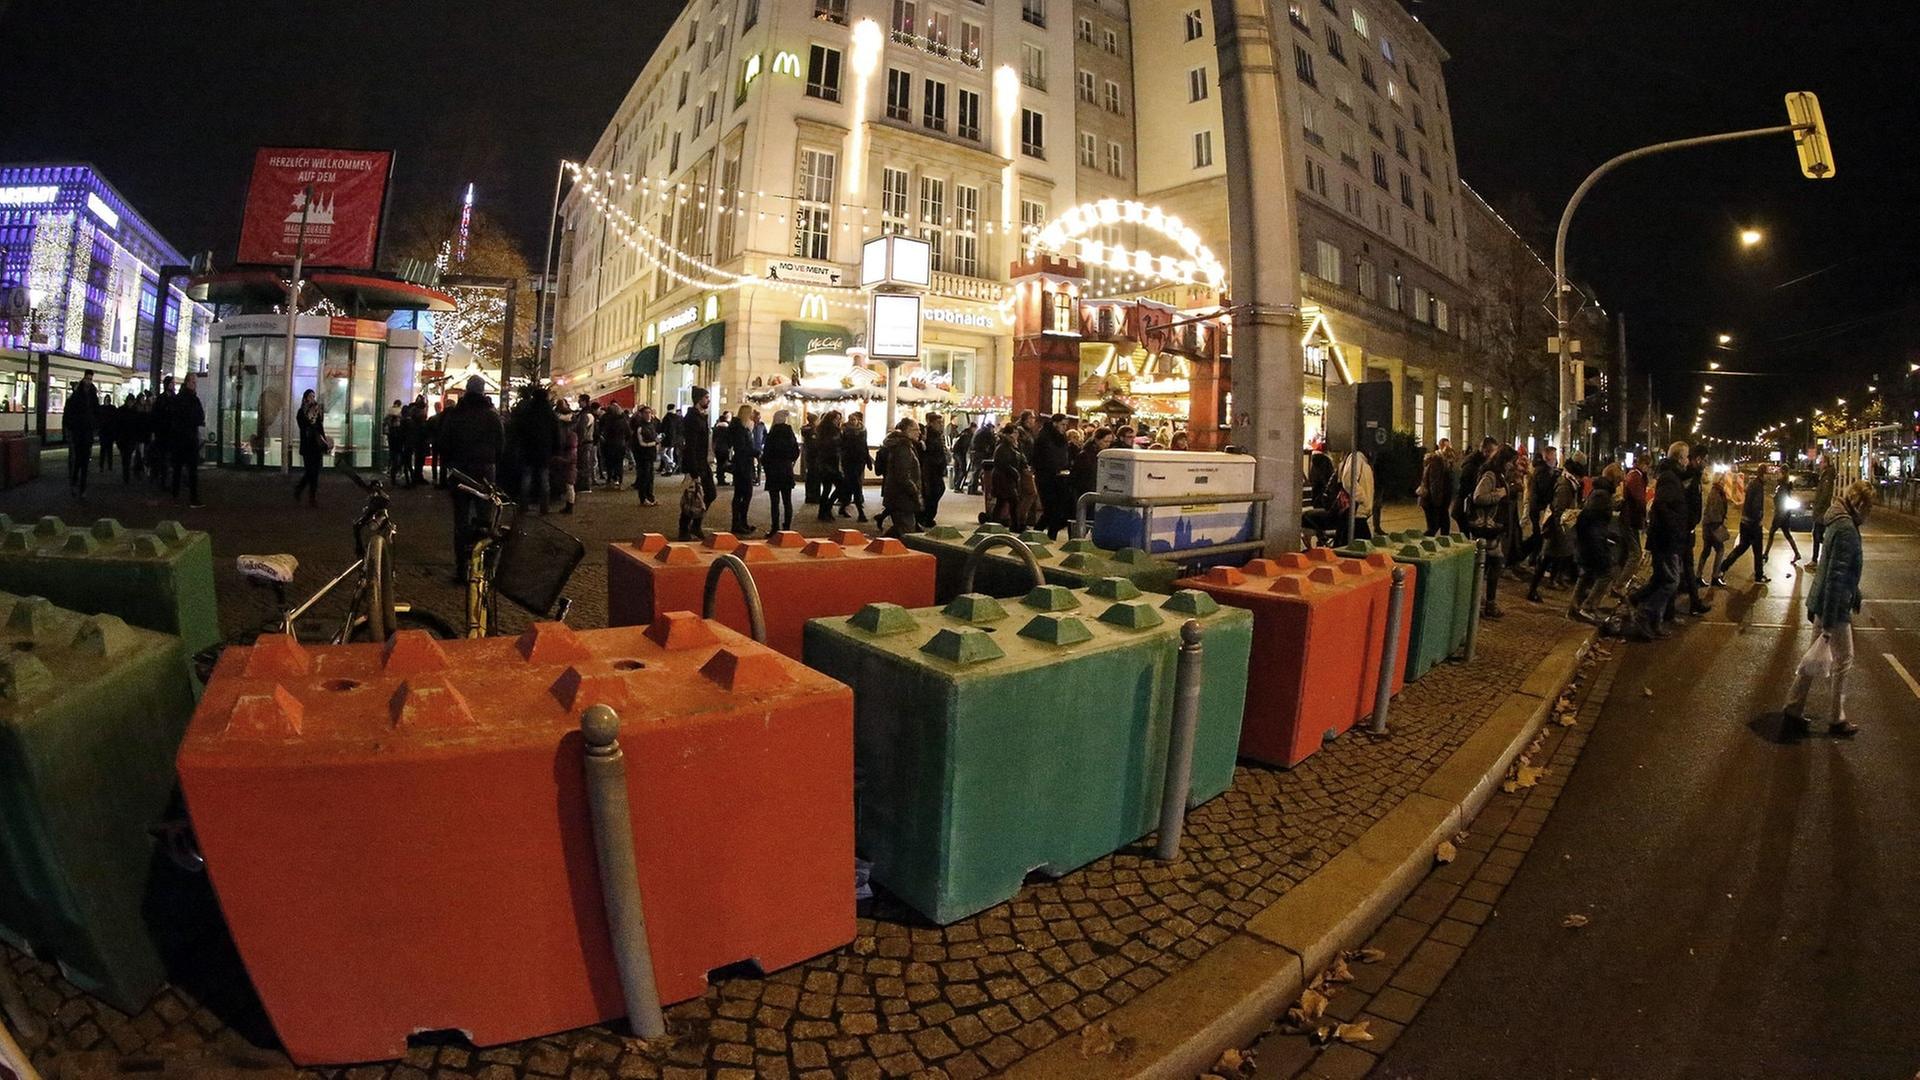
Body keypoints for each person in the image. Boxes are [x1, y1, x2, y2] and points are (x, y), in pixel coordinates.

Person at [1782, 480, 1872, 738]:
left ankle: (1793, 709)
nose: (1869, 514)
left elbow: (1834, 569)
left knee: (1813, 659)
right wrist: (1831, 623)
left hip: (1824, 601)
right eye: (1868, 508)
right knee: (1844, 659)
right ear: (1860, 505)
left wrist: (1854, 593)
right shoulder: (1846, 529)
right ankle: (1836, 718)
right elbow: (1836, 576)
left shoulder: (1838, 521)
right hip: (1834, 605)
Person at [439, 375, 506, 580]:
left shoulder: (456, 414)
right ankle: (482, 567)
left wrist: (450, 464)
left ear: (467, 391)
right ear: (483, 391)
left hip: (460, 470)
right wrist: (492, 461)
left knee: (461, 520)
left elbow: (444, 443)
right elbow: (501, 445)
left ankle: (461, 567)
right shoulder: (491, 415)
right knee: (485, 519)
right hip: (484, 471)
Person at [1630, 442, 1693, 640]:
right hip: (1666, 539)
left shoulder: (1671, 476)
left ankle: (1652, 619)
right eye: (1686, 457)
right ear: (1679, 458)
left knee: (1660, 579)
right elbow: (1662, 506)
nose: (1688, 461)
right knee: (1671, 581)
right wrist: (1675, 528)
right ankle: (1644, 613)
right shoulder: (1669, 478)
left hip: (1667, 538)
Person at [1527, 454, 1585, 603]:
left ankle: (1549, 582)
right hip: (1556, 527)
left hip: (1560, 525)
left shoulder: (1568, 482)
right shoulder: (1565, 484)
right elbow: (1559, 509)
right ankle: (1532, 590)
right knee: (1546, 558)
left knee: (1553, 556)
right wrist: (1561, 530)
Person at [1469, 446, 1517, 618]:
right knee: (1493, 564)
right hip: (1487, 528)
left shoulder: (1499, 475)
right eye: (1511, 462)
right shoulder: (1490, 475)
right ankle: (1485, 603)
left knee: (1488, 565)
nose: (1512, 466)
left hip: (1493, 528)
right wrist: (1499, 495)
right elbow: (1478, 497)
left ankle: (1480, 601)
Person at [1569, 471, 1617, 623]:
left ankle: (1574, 608)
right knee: (1606, 572)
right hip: (1593, 541)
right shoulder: (1602, 496)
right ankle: (1588, 606)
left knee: (1587, 572)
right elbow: (1592, 520)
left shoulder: (1597, 493)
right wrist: (1600, 539)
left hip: (1589, 540)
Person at [1717, 466, 1770, 585]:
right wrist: (1759, 519)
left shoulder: (1753, 483)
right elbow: (1756, 505)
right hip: (1753, 524)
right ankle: (1758, 575)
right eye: (1767, 474)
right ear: (1764, 474)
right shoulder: (1758, 486)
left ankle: (1723, 567)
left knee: (1741, 548)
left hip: (1745, 522)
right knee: (1757, 550)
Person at [508, 385, 557, 513]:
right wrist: (555, 449)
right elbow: (556, 432)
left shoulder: (527, 411)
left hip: (528, 448)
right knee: (544, 478)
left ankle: (524, 505)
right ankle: (544, 507)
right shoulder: (549, 412)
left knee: (526, 477)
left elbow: (519, 429)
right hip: (544, 449)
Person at [878, 418, 923, 540]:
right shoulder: (903, 448)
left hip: (899, 497)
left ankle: (879, 544)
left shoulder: (905, 446)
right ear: (907, 431)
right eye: (916, 430)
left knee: (900, 528)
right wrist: (915, 492)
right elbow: (903, 476)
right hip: (902, 497)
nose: (919, 432)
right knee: (907, 532)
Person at [1033, 413, 1075, 538]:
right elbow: (1041, 458)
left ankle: (1050, 535)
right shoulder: (1044, 437)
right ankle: (1036, 533)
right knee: (1050, 509)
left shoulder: (1061, 438)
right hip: (1046, 477)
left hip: (1060, 477)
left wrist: (1066, 466)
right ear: (1055, 423)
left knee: (1058, 510)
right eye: (1062, 424)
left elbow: (1063, 455)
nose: (1065, 427)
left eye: (1066, 425)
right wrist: (1055, 468)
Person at [292, 389, 330, 506]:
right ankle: (299, 489)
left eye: (313, 396)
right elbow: (303, 426)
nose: (312, 398)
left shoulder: (317, 411)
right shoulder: (301, 412)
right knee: (309, 471)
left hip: (317, 445)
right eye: (310, 396)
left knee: (315, 472)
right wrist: (310, 417)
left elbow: (320, 428)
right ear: (305, 398)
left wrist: (324, 442)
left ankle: (312, 497)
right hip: (307, 445)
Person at [762, 410, 799, 532]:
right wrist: (790, 461)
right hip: (786, 468)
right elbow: (796, 451)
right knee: (787, 501)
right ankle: (787, 526)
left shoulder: (772, 434)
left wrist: (767, 466)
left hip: (773, 470)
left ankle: (775, 527)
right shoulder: (789, 433)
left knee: (774, 502)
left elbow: (766, 454)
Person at [1694, 470, 1732, 587]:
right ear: (1719, 480)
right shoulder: (1716, 493)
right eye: (1723, 480)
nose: (1724, 482)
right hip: (1712, 526)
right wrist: (1719, 525)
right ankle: (1715, 576)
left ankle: (1698, 576)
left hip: (1709, 525)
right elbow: (1714, 512)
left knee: (1706, 551)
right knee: (1720, 549)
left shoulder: (1716, 491)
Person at [64, 370, 99, 496]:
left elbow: (96, 412)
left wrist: (94, 426)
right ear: (84, 379)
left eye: (90, 379)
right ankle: (75, 481)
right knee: (79, 459)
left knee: (84, 461)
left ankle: (81, 486)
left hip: (86, 432)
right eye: (87, 379)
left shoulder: (92, 395)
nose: (89, 381)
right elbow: (70, 414)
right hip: (79, 432)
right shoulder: (77, 396)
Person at [989, 425, 1027, 528]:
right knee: (1011, 501)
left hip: (1008, 478)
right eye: (1014, 433)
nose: (1016, 435)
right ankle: (1014, 524)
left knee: (1003, 502)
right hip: (1002, 478)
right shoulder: (1003, 446)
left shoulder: (1013, 446)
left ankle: (995, 523)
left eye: (1017, 433)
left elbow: (1020, 458)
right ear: (1008, 434)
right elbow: (1002, 463)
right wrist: (1014, 472)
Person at [728, 408, 759, 535]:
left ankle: (741, 522)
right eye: (750, 413)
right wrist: (756, 452)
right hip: (742, 465)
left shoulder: (741, 428)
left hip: (743, 464)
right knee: (744, 494)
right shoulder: (740, 430)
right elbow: (742, 448)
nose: (752, 415)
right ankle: (738, 523)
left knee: (741, 494)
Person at [1337, 448, 1376, 545]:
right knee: (1363, 547)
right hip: (1356, 512)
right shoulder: (1357, 457)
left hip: (1359, 512)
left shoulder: (1361, 459)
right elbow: (1348, 480)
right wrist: (1362, 498)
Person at [683, 390, 715, 506]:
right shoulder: (693, 418)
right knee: (698, 495)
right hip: (697, 462)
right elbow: (691, 445)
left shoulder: (701, 416)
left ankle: (696, 516)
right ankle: (691, 517)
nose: (708, 400)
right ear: (699, 399)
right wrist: (694, 470)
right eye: (706, 397)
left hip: (702, 461)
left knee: (707, 494)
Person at [1764, 467, 1803, 562]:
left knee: (1772, 532)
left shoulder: (1783, 486)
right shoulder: (1783, 485)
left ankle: (1766, 554)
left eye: (1780, 472)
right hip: (1784, 513)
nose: (1778, 474)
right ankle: (1797, 553)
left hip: (1780, 514)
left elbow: (1781, 499)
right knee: (1787, 534)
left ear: (1783, 473)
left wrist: (1776, 501)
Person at [838, 412, 870, 522]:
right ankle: (860, 512)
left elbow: (864, 445)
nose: (852, 422)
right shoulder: (844, 430)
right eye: (851, 419)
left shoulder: (863, 430)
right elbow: (842, 446)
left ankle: (843, 507)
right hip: (849, 461)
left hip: (860, 461)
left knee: (850, 485)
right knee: (855, 485)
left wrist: (868, 460)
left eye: (854, 419)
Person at [1418, 440, 1454, 536]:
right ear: (1441, 447)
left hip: (1440, 500)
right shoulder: (1437, 460)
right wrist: (1437, 502)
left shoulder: (1444, 460)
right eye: (1447, 447)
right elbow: (1435, 482)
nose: (1449, 450)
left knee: (1442, 524)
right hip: (1433, 500)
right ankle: (1422, 541)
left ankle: (1444, 541)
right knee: (1434, 527)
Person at [813, 412, 843, 521]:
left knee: (827, 489)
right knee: (841, 487)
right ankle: (826, 509)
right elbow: (834, 445)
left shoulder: (821, 430)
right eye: (837, 419)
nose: (838, 421)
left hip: (824, 463)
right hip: (830, 463)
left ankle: (823, 511)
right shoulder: (834, 431)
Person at [920, 412, 949, 528]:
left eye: (941, 422)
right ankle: (927, 517)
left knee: (937, 491)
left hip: (936, 469)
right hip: (931, 469)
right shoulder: (929, 435)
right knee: (933, 493)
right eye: (938, 422)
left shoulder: (937, 435)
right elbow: (930, 452)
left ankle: (928, 517)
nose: (941, 424)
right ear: (931, 423)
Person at [1808, 452, 1837, 567]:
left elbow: (1825, 494)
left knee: (1817, 535)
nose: (1819, 464)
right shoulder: (1825, 475)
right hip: (1821, 510)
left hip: (1822, 511)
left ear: (1826, 463)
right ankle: (1823, 557)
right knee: (1818, 535)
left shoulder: (1827, 477)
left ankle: (1817, 559)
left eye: (1821, 462)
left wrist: (1818, 506)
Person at [551, 398, 579, 514]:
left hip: (565, 455)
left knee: (568, 482)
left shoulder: (566, 433)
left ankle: (569, 505)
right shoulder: (572, 432)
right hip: (568, 456)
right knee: (568, 482)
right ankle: (569, 504)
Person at [632, 405, 660, 506]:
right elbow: (641, 443)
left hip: (651, 455)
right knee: (644, 478)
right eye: (646, 413)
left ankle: (650, 497)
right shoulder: (640, 427)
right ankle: (643, 498)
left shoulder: (652, 425)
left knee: (650, 478)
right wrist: (655, 443)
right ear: (642, 414)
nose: (648, 415)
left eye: (649, 412)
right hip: (643, 456)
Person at [599, 401, 629, 490]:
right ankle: (619, 481)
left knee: (609, 464)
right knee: (619, 464)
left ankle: (609, 481)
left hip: (608, 444)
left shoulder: (607, 420)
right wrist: (625, 441)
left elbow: (602, 431)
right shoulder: (623, 421)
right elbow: (628, 433)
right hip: (620, 445)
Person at [117, 393, 143, 482]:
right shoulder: (126, 411)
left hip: (130, 438)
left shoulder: (133, 411)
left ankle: (126, 475)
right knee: (125, 457)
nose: (130, 403)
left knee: (127, 457)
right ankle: (126, 474)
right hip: (124, 438)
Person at [969, 420, 996, 496]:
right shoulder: (987, 432)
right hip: (979, 453)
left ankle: (971, 488)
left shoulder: (980, 430)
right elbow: (992, 442)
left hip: (974, 452)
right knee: (977, 471)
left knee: (976, 471)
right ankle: (973, 489)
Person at [384, 401, 406, 482]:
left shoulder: (389, 413)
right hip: (398, 438)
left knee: (392, 454)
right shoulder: (400, 414)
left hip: (391, 435)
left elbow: (385, 421)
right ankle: (398, 470)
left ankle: (390, 470)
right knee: (398, 454)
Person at [712, 409, 733, 486]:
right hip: (725, 448)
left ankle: (720, 479)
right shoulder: (727, 429)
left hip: (717, 448)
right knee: (724, 464)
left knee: (719, 464)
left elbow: (714, 439)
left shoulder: (716, 428)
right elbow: (729, 439)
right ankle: (722, 479)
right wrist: (730, 447)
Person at [661, 403, 683, 474]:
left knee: (662, 453)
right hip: (675, 438)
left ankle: (672, 464)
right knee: (670, 453)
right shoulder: (677, 418)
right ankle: (669, 470)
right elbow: (680, 428)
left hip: (667, 438)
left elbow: (663, 428)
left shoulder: (666, 417)